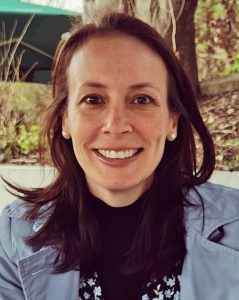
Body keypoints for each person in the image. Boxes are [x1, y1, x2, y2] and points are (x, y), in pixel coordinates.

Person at [0, 12, 239, 300]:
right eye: (93, 99)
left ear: (172, 120)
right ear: (65, 119)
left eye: (141, 100)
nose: (115, 125)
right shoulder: (14, 236)